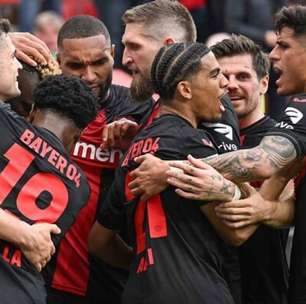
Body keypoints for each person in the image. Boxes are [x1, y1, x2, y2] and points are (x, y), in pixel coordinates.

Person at [89, 42, 250, 304]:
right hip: (194, 291)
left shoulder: (134, 150)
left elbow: (98, 241)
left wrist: (143, 263)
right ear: (185, 90)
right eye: (214, 75)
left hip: (139, 291)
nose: (224, 84)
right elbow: (236, 232)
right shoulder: (191, 143)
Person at [43, 15, 154, 304]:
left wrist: (139, 137)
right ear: (58, 61)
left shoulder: (141, 108)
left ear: (114, 55)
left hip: (115, 278)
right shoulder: (39, 106)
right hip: (46, 277)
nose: (89, 76)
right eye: (76, 66)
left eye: (99, 62)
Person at [0, 18, 99, 304]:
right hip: (23, 291)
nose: (16, 66)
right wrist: (24, 234)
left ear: (31, 114)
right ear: (78, 138)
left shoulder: (7, 125)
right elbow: (41, 253)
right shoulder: (80, 187)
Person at [212, 34, 291, 304]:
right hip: (208, 287)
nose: (231, 85)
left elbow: (286, 206)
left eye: (242, 76)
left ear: (264, 83)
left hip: (262, 290)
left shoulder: (282, 141)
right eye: (222, 77)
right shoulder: (196, 138)